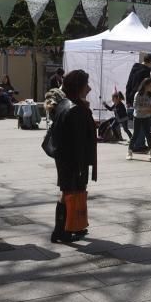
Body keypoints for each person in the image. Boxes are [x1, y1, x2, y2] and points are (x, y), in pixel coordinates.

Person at [49, 70, 97, 243]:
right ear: (79, 87)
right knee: (70, 192)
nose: (89, 88)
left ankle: (69, 228)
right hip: (73, 159)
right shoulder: (76, 109)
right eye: (86, 85)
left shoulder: (65, 103)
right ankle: (62, 231)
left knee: (69, 191)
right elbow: (78, 139)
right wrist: (80, 166)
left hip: (65, 157)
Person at [128, 78, 151, 159]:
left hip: (146, 117)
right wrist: (145, 109)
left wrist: (148, 109)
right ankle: (129, 151)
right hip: (137, 117)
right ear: (145, 85)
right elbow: (135, 106)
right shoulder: (138, 94)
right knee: (135, 134)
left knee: (148, 134)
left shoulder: (150, 95)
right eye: (150, 86)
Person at [125, 53, 151, 123]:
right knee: (143, 123)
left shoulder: (135, 67)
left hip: (132, 96)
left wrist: (127, 99)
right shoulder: (146, 71)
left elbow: (129, 83)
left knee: (136, 121)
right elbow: (147, 87)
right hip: (142, 99)